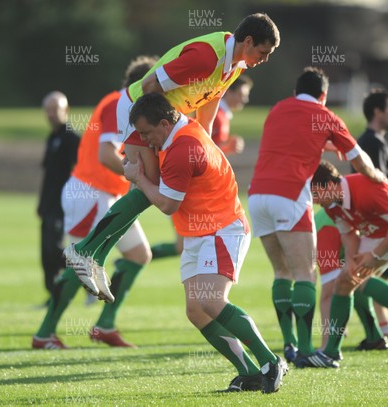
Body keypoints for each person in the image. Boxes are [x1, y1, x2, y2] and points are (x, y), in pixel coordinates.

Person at [65, 13, 281, 303]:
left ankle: (94, 255)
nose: (265, 59)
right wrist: (158, 131)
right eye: (263, 52)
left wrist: (204, 139)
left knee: (146, 188)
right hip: (141, 111)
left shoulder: (236, 64)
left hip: (164, 121)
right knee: (149, 185)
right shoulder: (207, 56)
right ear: (249, 41)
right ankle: (84, 252)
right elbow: (152, 85)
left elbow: (211, 98)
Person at [123, 93, 287, 393]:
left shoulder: (182, 148)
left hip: (222, 229)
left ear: (163, 123)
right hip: (197, 232)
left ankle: (270, 361)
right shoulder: (175, 132)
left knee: (211, 300)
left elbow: (167, 204)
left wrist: (138, 178)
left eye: (147, 133)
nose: (146, 140)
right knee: (196, 311)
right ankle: (248, 372)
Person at [246, 67, 385, 368]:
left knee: (281, 273)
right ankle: (308, 350)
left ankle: (289, 343)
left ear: (297, 91)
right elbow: (359, 159)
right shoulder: (326, 116)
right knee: (305, 274)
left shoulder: (278, 109)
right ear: (323, 96)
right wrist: (378, 179)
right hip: (290, 195)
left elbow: (291, 143)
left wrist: (324, 144)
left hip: (256, 195)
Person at [32, 57, 157, 350]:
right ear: (147, 85)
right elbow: (105, 154)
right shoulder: (118, 103)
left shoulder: (125, 104)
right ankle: (44, 333)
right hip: (88, 193)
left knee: (139, 254)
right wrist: (142, 180)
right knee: (81, 263)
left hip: (105, 195)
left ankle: (104, 326)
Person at [309, 160, 388, 366]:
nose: (314, 201)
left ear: (329, 186)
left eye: (314, 193)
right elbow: (349, 234)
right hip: (379, 230)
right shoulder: (331, 204)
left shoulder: (364, 189)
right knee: (345, 282)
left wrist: (375, 255)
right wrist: (350, 260)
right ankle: (331, 352)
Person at [150, 75, 254, 260]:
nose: (245, 99)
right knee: (183, 245)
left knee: (183, 246)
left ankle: (137, 257)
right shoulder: (219, 117)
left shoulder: (222, 116)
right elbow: (200, 151)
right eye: (241, 94)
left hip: (185, 183)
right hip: (186, 186)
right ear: (228, 92)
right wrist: (227, 148)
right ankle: (135, 258)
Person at [314, 208, 388, 353]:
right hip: (377, 227)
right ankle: (374, 337)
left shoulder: (321, 234)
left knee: (352, 281)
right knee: (353, 283)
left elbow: (327, 293)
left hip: (381, 229)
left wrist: (325, 342)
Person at [355, 89, 388, 339]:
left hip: (382, 221)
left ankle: (381, 326)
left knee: (377, 273)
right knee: (367, 274)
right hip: (379, 222)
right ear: (378, 112)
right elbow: (377, 188)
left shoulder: (375, 141)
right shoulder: (371, 142)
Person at [37, 92, 80, 298]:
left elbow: (78, 173)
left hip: (63, 205)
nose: (51, 114)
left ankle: (83, 273)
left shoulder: (71, 139)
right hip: (49, 205)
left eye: (55, 109)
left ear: (66, 111)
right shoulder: (52, 137)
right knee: (45, 254)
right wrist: (41, 204)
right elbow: (48, 175)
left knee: (55, 249)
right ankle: (53, 295)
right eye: (48, 110)